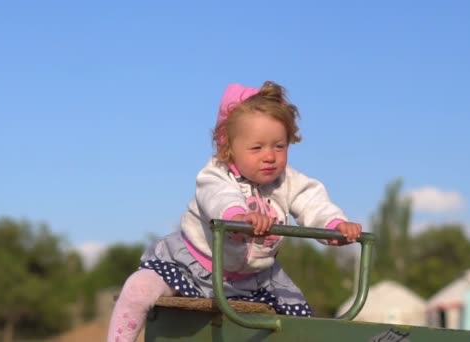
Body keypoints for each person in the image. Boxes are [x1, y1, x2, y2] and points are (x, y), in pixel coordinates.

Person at [107, 81, 362, 342]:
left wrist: (334, 224)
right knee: (138, 288)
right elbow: (218, 197)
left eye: (279, 146)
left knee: (300, 317)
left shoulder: (288, 181)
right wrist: (238, 216)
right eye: (257, 147)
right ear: (229, 148)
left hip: (257, 278)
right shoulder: (216, 174)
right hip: (194, 265)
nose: (270, 156)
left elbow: (312, 201)